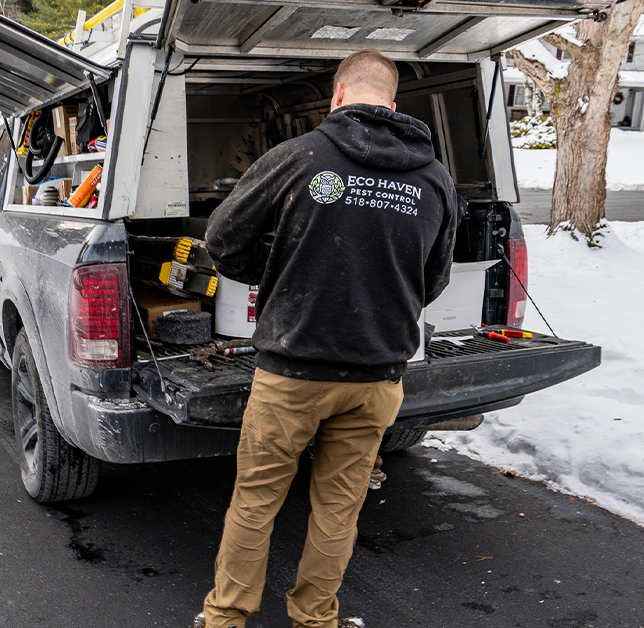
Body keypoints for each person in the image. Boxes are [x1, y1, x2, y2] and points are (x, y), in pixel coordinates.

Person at [196, 48, 460, 628]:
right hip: (377, 379)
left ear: (337, 96)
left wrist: (278, 270)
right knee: (339, 508)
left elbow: (223, 238)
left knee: (257, 501)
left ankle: (226, 618)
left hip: (293, 374)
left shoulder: (298, 157)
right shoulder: (436, 179)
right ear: (394, 105)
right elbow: (434, 279)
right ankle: (315, 618)